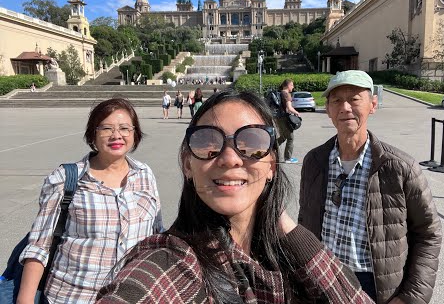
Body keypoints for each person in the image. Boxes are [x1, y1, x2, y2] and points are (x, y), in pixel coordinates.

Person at [97, 90, 373, 303]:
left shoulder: (283, 253)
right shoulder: (169, 262)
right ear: (187, 164)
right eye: (207, 141)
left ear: (272, 165)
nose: (230, 159)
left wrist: (282, 222)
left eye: (252, 143)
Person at [298, 70, 442, 304]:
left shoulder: (399, 167)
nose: (345, 107)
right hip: (321, 277)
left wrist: (411, 297)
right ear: (328, 109)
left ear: (372, 105)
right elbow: (305, 220)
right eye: (336, 100)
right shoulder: (314, 161)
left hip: (375, 286)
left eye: (354, 98)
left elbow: (428, 234)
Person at [17, 98, 163, 304]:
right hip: (73, 296)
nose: (116, 135)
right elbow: (39, 246)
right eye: (106, 128)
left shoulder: (145, 175)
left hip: (131, 296)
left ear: (135, 133)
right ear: (93, 134)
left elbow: (155, 235)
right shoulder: (66, 178)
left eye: (124, 128)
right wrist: (25, 300)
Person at [275, 79, 300, 164]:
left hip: (278, 118)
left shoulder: (279, 93)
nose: (293, 87)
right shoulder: (286, 94)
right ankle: (288, 158)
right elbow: (289, 108)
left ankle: (271, 148)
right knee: (290, 138)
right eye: (292, 85)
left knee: (283, 137)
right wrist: (297, 113)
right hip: (284, 118)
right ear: (287, 85)